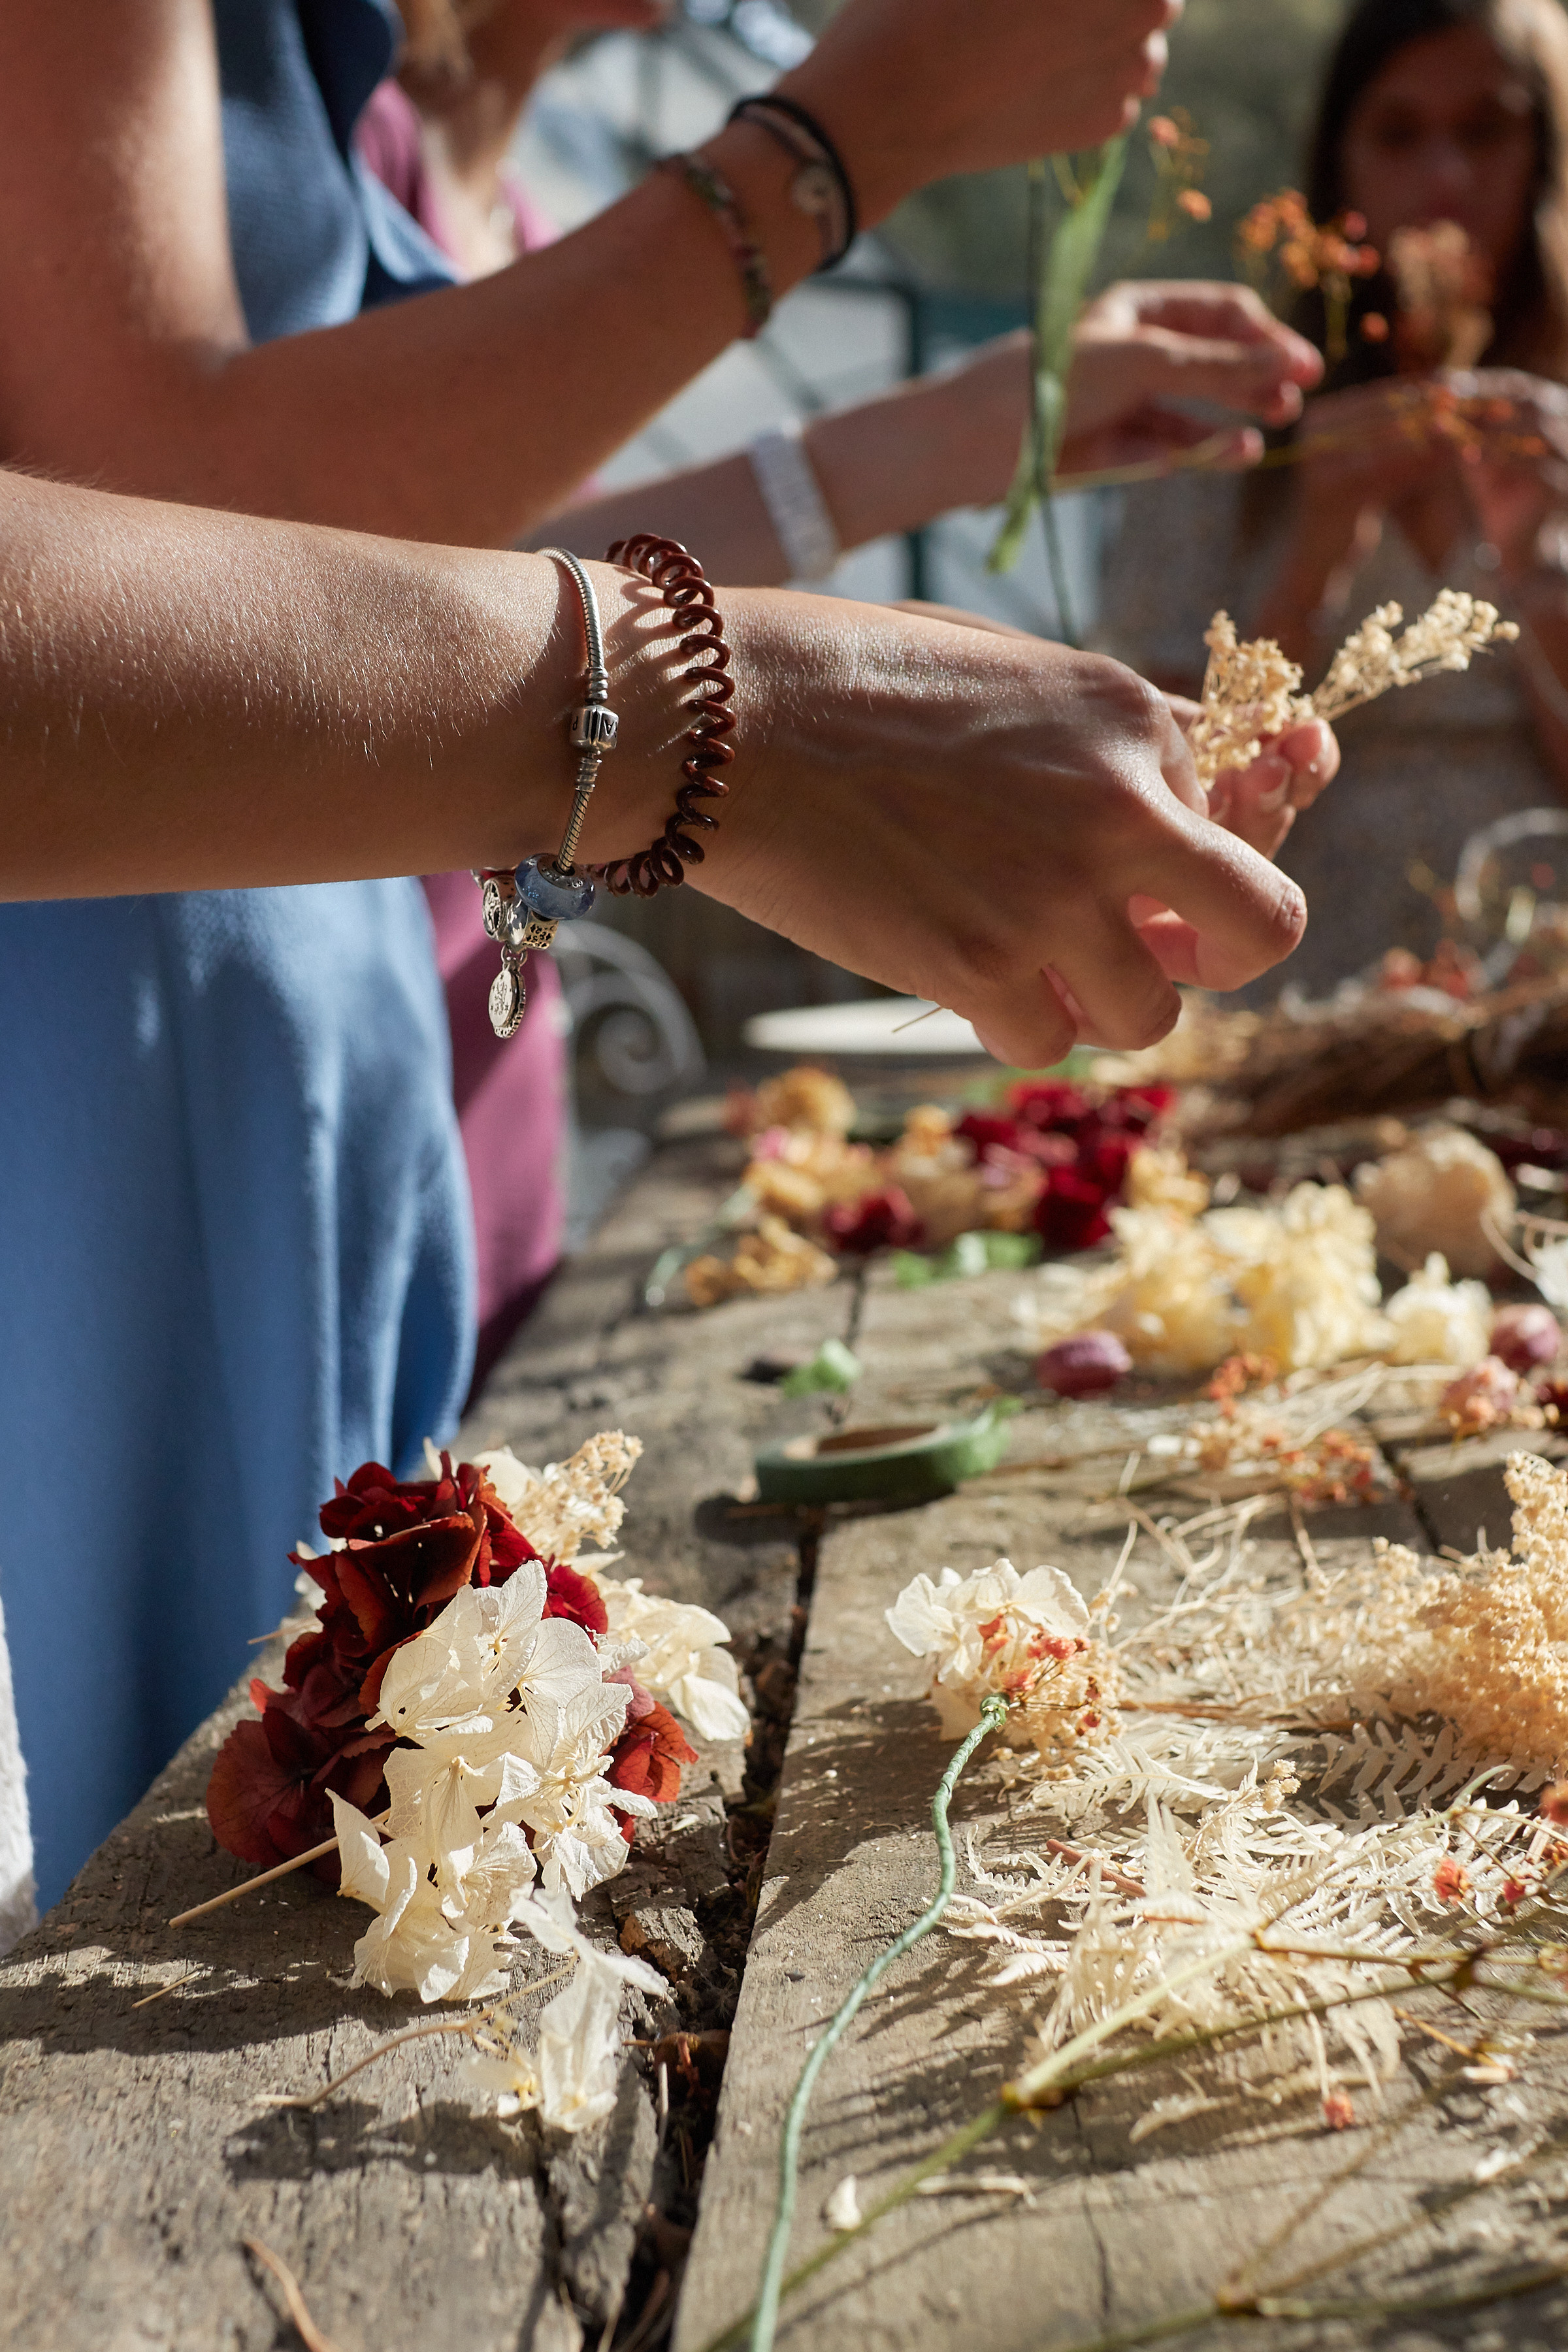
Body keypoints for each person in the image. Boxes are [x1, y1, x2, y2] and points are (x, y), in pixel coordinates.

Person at [0, 0, 1321, 1910]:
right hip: (99, 1160)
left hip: (300, 1110)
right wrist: (833, 153)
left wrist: (863, 613)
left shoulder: (331, 75)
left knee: (322, 1850)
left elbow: (419, 580)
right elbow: (174, 502)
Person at [1100, 0, 1568, 1002]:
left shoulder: (1556, 434)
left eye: (1484, 131)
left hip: (1539, 975)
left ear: (1545, 150)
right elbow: (1156, 792)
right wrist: (1316, 540)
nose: (1444, 180)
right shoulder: (1228, 419)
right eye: (1399, 135)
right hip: (1284, 983)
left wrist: (1538, 565)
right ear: (1338, 159)